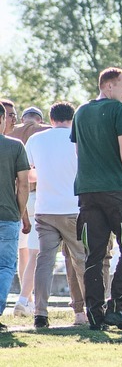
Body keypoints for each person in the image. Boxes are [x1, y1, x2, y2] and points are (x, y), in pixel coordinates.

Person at [71, 67, 122, 333]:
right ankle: (117, 309)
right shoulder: (116, 109)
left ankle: (95, 314)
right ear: (108, 86)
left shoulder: (80, 111)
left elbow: (79, 152)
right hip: (118, 191)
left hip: (87, 192)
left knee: (94, 254)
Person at [29, 101, 88, 328]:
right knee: (80, 261)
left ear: (51, 119)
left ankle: (40, 312)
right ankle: (89, 309)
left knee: (45, 261)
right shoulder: (79, 139)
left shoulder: (36, 139)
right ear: (72, 119)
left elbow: (29, 173)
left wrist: (45, 173)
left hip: (45, 209)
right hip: (73, 208)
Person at [10, 108, 45, 319]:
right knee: (34, 252)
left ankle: (27, 299)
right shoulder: (43, 131)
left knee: (22, 251)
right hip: (35, 195)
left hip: (15, 198)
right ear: (40, 119)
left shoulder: (12, 131)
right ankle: (25, 298)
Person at [0, 117, 30, 333]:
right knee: (6, 266)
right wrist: (20, 213)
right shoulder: (15, 146)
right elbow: (24, 184)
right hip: (7, 214)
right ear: (2, 119)